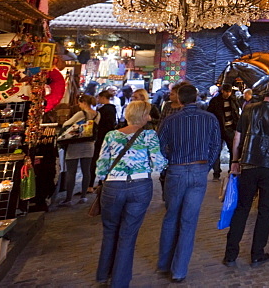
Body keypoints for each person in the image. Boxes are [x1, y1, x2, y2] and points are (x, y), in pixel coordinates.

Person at [95, 100, 168, 288]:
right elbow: (158, 163)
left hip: (112, 187)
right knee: (128, 234)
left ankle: (103, 274)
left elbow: (101, 165)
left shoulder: (111, 136)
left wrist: (106, 177)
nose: (150, 118)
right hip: (139, 186)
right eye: (148, 114)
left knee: (110, 230)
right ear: (142, 116)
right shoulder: (149, 136)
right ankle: (119, 282)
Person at [223, 81, 269, 268]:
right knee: (265, 211)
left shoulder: (248, 110)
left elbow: (238, 138)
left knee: (242, 208)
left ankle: (230, 255)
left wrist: (235, 162)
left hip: (248, 164)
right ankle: (257, 253)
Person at [157, 83, 222, 283]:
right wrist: (206, 166)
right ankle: (179, 270)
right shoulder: (209, 119)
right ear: (195, 98)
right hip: (198, 170)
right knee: (189, 221)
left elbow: (160, 146)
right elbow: (216, 145)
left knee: (171, 217)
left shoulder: (170, 120)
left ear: (179, 99)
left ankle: (164, 264)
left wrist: (171, 159)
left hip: (176, 170)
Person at [57, 94, 99, 206]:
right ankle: (83, 196)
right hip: (89, 144)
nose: (79, 105)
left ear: (83, 103)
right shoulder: (97, 114)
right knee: (86, 171)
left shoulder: (81, 113)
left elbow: (66, 124)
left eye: (80, 103)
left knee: (72, 172)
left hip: (75, 144)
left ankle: (68, 199)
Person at [207, 82, 241, 180]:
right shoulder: (215, 101)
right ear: (222, 91)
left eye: (229, 92)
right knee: (216, 151)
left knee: (233, 150)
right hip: (219, 130)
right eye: (226, 91)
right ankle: (216, 172)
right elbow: (211, 114)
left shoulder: (233, 100)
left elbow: (236, 114)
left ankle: (231, 170)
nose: (228, 94)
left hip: (230, 129)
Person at [92, 90, 119, 190]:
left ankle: (95, 183)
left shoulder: (103, 110)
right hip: (109, 136)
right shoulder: (113, 108)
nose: (98, 100)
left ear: (103, 98)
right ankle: (102, 182)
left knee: (98, 159)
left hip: (101, 137)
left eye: (99, 98)